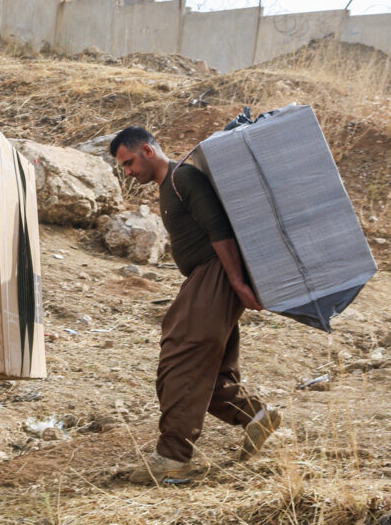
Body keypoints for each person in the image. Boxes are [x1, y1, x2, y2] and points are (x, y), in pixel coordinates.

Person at [109, 127, 281, 483]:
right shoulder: (169, 184)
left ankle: (173, 458)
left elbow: (219, 230)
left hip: (214, 275)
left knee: (182, 355)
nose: (128, 172)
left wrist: (235, 282)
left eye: (128, 163)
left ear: (147, 150)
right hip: (207, 279)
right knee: (210, 368)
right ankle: (255, 415)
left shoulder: (182, 177)